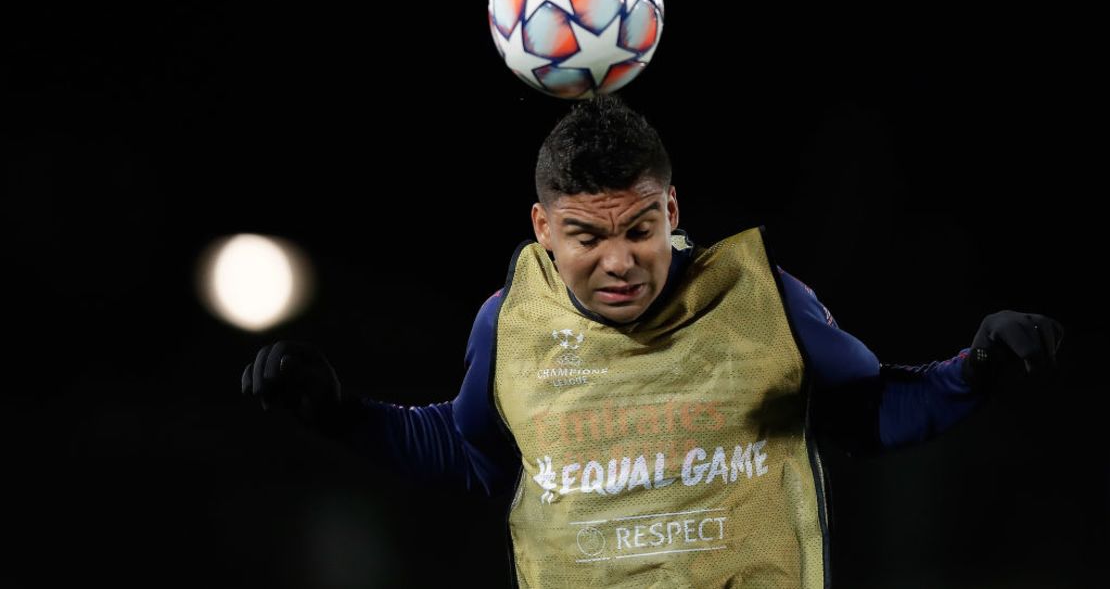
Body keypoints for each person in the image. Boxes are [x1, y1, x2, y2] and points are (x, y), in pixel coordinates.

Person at [241, 94, 1064, 588]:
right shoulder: (512, 321)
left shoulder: (759, 299)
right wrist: (339, 414)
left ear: (670, 212)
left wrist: (979, 367)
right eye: (585, 237)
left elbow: (866, 413)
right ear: (542, 229)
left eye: (639, 228)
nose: (618, 261)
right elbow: (474, 456)